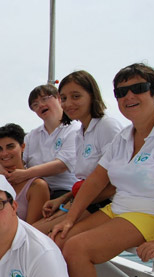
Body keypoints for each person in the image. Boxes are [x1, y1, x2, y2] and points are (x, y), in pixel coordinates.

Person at [51, 63, 154, 277]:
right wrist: (70, 219)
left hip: (152, 214)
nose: (129, 96)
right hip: (119, 209)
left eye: (138, 88)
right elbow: (95, 180)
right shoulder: (125, 135)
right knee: (58, 240)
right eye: (121, 91)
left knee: (78, 249)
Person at [33, 70, 123, 234]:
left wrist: (70, 209)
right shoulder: (79, 134)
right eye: (64, 98)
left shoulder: (107, 126)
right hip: (83, 200)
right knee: (31, 232)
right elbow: (86, 181)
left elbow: (114, 184)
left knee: (42, 237)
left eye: (76, 96)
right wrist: (63, 200)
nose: (68, 104)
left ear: (91, 96)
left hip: (106, 203)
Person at [7, 84, 81, 199]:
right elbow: (19, 161)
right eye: (35, 105)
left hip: (63, 191)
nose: (40, 105)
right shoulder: (31, 136)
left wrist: (26, 174)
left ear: (59, 98)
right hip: (34, 189)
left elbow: (61, 165)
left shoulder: (74, 129)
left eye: (45, 99)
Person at [0, 123, 50, 224]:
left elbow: (33, 230)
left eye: (10, 147)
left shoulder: (37, 186)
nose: (4, 153)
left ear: (23, 147)